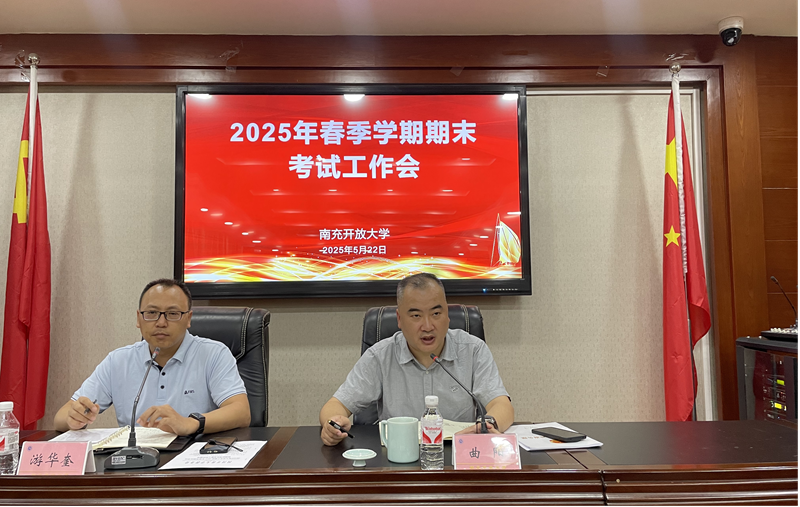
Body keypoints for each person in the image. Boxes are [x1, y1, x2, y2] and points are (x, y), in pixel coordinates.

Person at [320, 272, 514, 446]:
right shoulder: (380, 356)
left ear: (447, 315)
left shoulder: (473, 350)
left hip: (459, 454)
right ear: (399, 319)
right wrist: (333, 425)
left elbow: (502, 406)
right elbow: (335, 406)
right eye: (416, 315)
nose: (427, 326)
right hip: (398, 457)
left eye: (436, 314)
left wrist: (487, 425)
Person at [54, 278, 251, 436]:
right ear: (139, 319)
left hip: (194, 460)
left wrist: (191, 423)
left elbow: (241, 412)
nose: (161, 322)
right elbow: (61, 417)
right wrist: (75, 418)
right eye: (151, 313)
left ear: (188, 319)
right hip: (135, 464)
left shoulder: (213, 354)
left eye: (172, 314)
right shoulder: (118, 361)